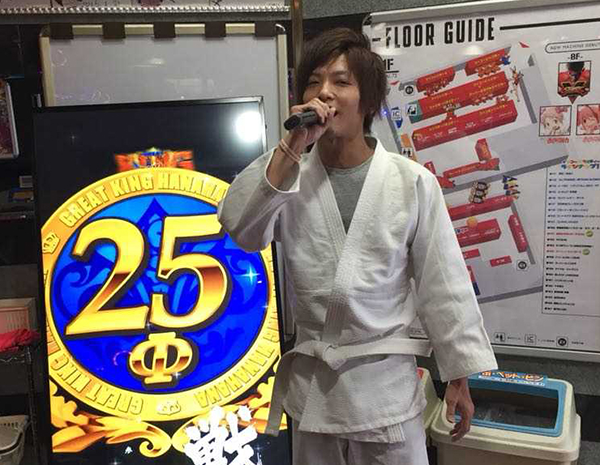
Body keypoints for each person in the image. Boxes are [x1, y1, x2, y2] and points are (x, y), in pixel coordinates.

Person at [218, 28, 497, 465]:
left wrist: (459, 377)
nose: (324, 93)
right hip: (315, 395)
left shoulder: (411, 182)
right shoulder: (289, 173)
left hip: (384, 393)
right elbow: (243, 229)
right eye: (314, 82)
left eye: (341, 81)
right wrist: (292, 146)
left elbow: (442, 281)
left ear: (368, 100)